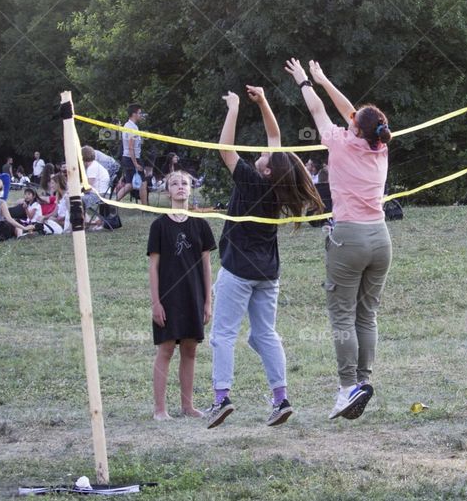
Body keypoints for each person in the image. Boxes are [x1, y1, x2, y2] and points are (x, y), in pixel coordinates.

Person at [204, 85, 322, 429]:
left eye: (266, 157)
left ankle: (221, 398)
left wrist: (234, 107)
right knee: (263, 334)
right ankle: (281, 399)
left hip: (239, 270)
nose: (263, 153)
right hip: (268, 272)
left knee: (223, 335)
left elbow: (225, 149)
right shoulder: (278, 185)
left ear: (267, 169)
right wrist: (265, 101)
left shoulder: (250, 180)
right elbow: (275, 135)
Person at [285, 58, 391, 421]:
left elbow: (318, 109)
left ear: (356, 129)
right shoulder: (380, 144)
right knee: (367, 314)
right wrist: (325, 79)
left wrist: (305, 82)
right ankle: (362, 381)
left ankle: (347, 388)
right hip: (381, 238)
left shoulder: (339, 142)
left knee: (343, 316)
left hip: (349, 237)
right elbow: (354, 114)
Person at [148, 170, 216, 420]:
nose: (180, 187)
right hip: (168, 297)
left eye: (184, 183)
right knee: (165, 350)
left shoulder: (201, 225)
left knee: (190, 350)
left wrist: (207, 300)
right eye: (174, 183)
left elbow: (207, 265)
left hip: (193, 296)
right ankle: (160, 410)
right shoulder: (159, 225)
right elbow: (153, 267)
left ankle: (188, 407)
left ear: (191, 189)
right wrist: (156, 302)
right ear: (167, 191)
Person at [116, 104, 145, 202]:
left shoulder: (128, 125)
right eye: (139, 113)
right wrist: (136, 164)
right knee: (143, 183)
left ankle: (113, 203)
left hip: (127, 157)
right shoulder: (132, 127)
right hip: (132, 158)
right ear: (134, 114)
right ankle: (145, 208)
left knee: (129, 185)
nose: (141, 115)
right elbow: (130, 147)